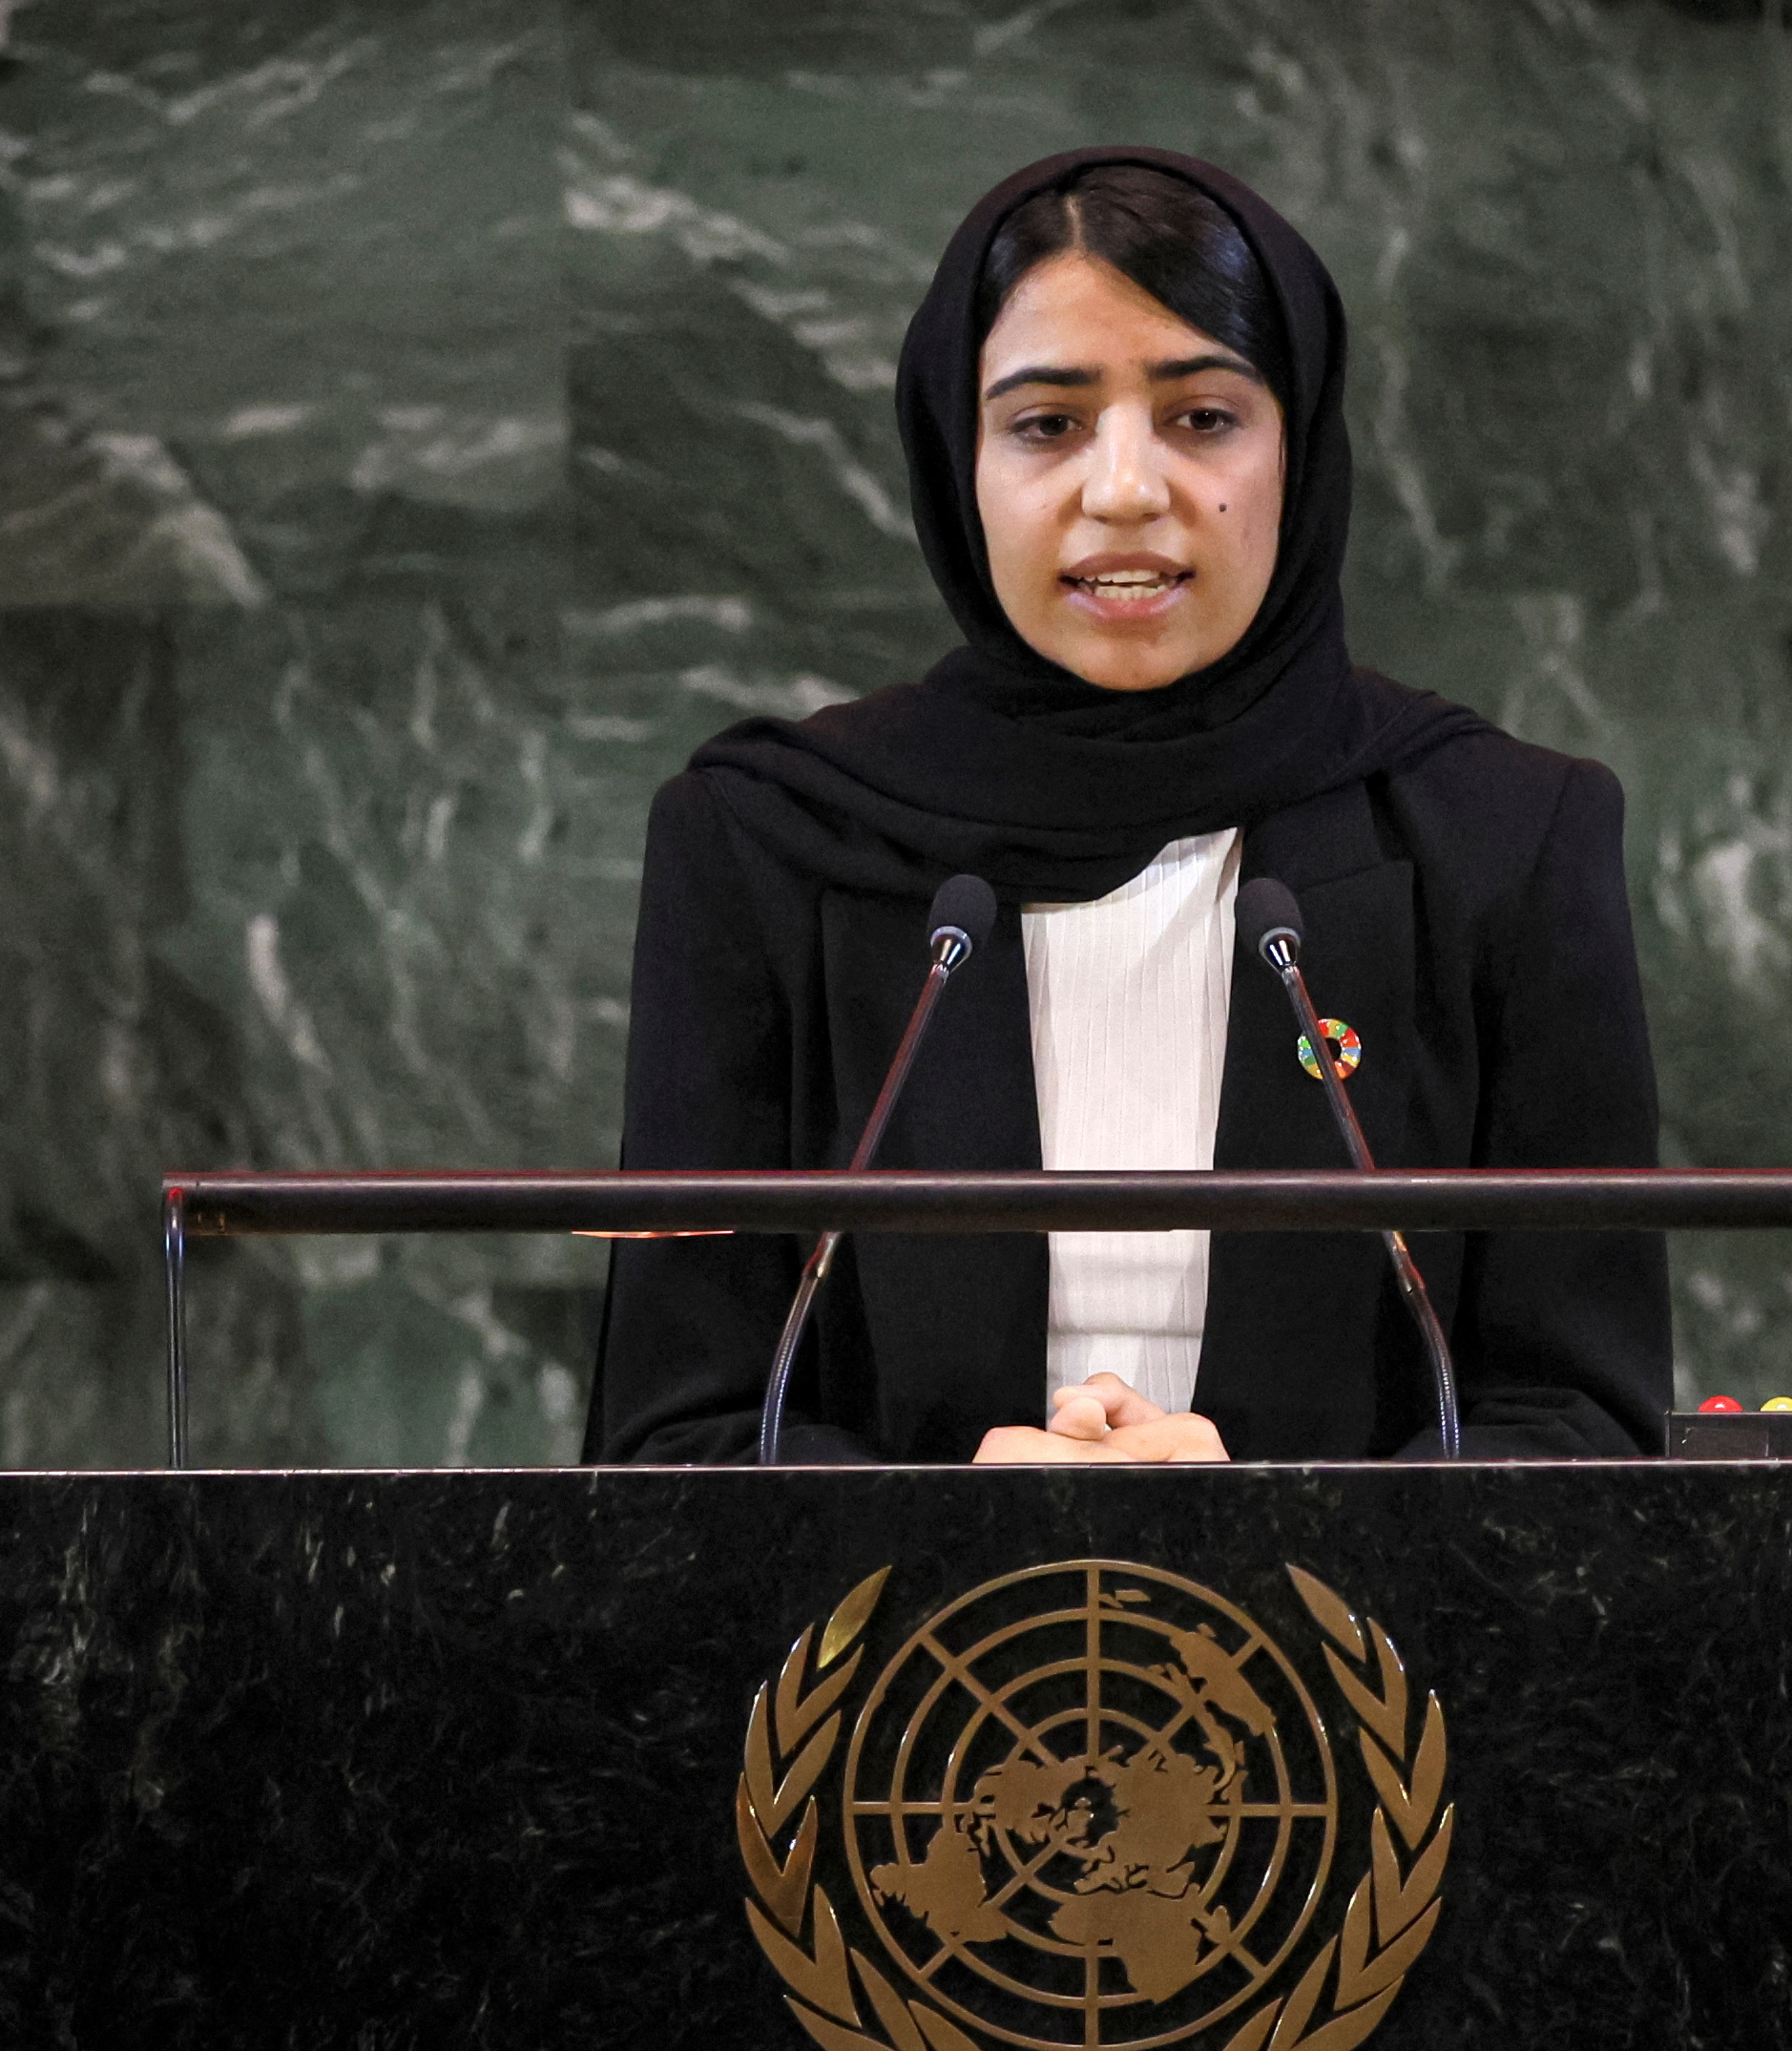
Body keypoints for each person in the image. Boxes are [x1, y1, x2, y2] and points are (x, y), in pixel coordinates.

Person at [586, 147, 1672, 1466]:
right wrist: (952, 1526)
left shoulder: (1504, 842)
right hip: (885, 1614)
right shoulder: (769, 843)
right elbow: (672, 1438)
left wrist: (1267, 1521)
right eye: (1046, 425)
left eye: (1201, 417)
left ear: (1300, 444)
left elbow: (1583, 1427)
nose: (1123, 491)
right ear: (954, 457)